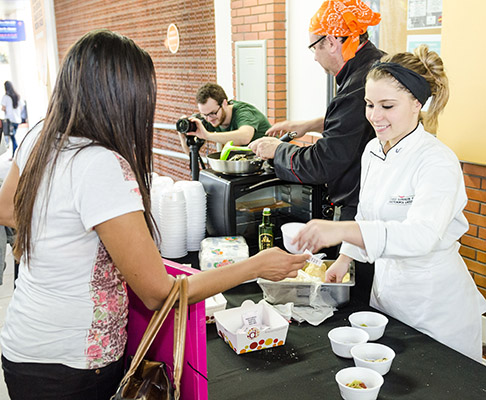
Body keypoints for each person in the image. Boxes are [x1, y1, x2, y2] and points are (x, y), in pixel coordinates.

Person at [0, 30, 309, 400]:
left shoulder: (40, 136)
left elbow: (7, 209)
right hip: (76, 365)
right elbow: (159, 295)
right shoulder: (100, 165)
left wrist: (66, 237)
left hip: (23, 346)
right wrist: (255, 266)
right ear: (122, 97)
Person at [292, 45, 486, 363]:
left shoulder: (437, 161)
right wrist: (344, 259)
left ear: (417, 104)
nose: (374, 116)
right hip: (387, 300)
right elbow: (368, 213)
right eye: (369, 104)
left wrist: (340, 230)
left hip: (435, 309)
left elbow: (421, 236)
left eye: (387, 105)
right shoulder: (373, 150)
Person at [249, 0, 383, 301]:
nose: (314, 58)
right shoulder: (371, 66)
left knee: (355, 298)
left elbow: (325, 162)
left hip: (362, 208)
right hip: (368, 209)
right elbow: (356, 121)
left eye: (314, 48)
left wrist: (276, 151)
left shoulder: (361, 82)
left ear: (333, 41)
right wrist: (313, 123)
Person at [178, 82, 271, 154]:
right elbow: (191, 153)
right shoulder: (210, 117)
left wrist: (208, 135)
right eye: (204, 115)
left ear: (224, 103)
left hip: (271, 160)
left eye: (212, 113)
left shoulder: (244, 112)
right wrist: (183, 137)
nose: (209, 119)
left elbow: (245, 137)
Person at [1, 81, 24, 160]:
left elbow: (3, 108)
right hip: (17, 120)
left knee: (12, 137)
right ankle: (16, 154)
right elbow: (21, 107)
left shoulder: (5, 97)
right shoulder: (17, 96)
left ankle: (16, 154)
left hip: (9, 120)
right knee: (12, 136)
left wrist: (5, 109)